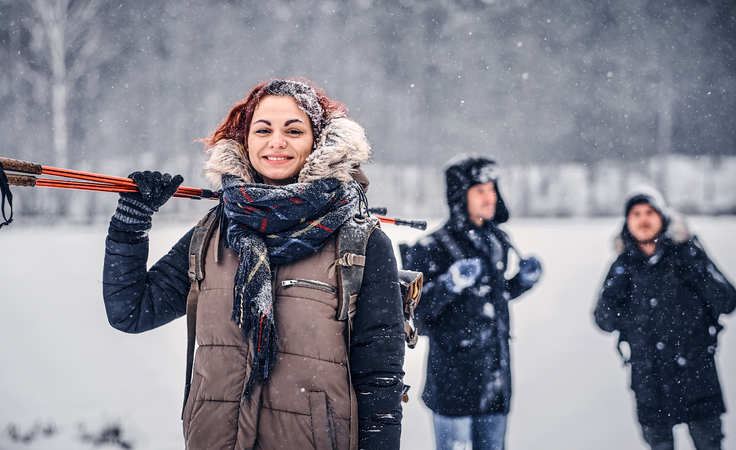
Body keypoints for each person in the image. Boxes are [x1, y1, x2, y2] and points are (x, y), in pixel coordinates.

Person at [101, 78, 406, 449]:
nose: (276, 142)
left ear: (319, 142)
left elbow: (379, 380)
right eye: (263, 130)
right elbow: (132, 311)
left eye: (293, 130)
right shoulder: (214, 232)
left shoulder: (361, 242)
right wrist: (130, 225)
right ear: (245, 141)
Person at [401, 154, 542, 450]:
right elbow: (415, 314)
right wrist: (448, 285)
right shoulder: (432, 247)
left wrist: (521, 282)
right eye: (480, 190)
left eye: (492, 189)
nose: (490, 197)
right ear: (459, 196)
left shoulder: (497, 241)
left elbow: (492, 298)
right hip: (453, 389)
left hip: (496, 383)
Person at [595, 185, 736, 450]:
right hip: (650, 383)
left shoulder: (688, 254)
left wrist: (695, 263)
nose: (643, 220)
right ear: (627, 222)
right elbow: (603, 319)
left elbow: (727, 301)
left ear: (663, 217)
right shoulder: (624, 264)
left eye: (649, 212)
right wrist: (619, 292)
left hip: (697, 376)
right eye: (636, 214)